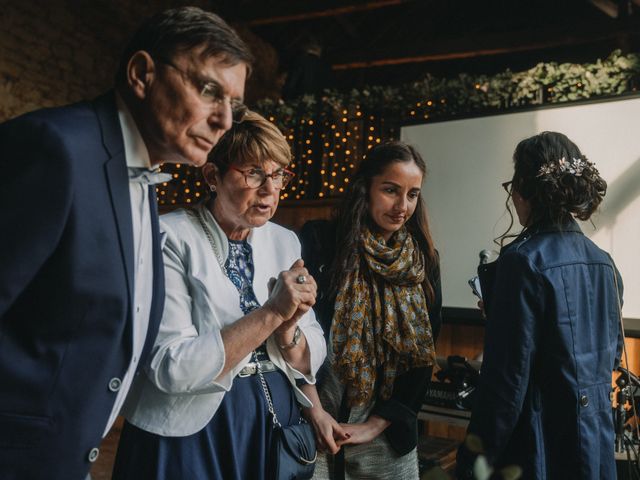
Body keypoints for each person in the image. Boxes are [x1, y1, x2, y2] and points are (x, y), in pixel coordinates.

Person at [0, 7, 252, 480]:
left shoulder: (141, 180)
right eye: (208, 90)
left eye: (233, 105)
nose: (223, 120)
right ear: (142, 74)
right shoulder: (54, 148)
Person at [111, 111, 327, 480]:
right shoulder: (168, 238)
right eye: (254, 173)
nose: (270, 189)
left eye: (277, 175)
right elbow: (171, 367)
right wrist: (273, 313)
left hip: (269, 424)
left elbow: (316, 349)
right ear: (212, 176)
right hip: (190, 432)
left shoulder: (285, 240)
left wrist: (289, 331)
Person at [456, 131, 623, 479]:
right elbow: (608, 352)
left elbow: (507, 384)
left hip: (540, 445)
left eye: (513, 185)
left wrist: (473, 461)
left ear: (526, 189)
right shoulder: (603, 262)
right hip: (594, 442)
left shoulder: (523, 261)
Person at [300, 141, 442, 479]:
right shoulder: (321, 241)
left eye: (412, 194)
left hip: (386, 436)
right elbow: (295, 332)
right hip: (316, 422)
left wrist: (378, 423)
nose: (402, 206)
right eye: (391, 190)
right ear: (364, 188)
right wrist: (314, 411)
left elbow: (425, 352)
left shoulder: (424, 259)